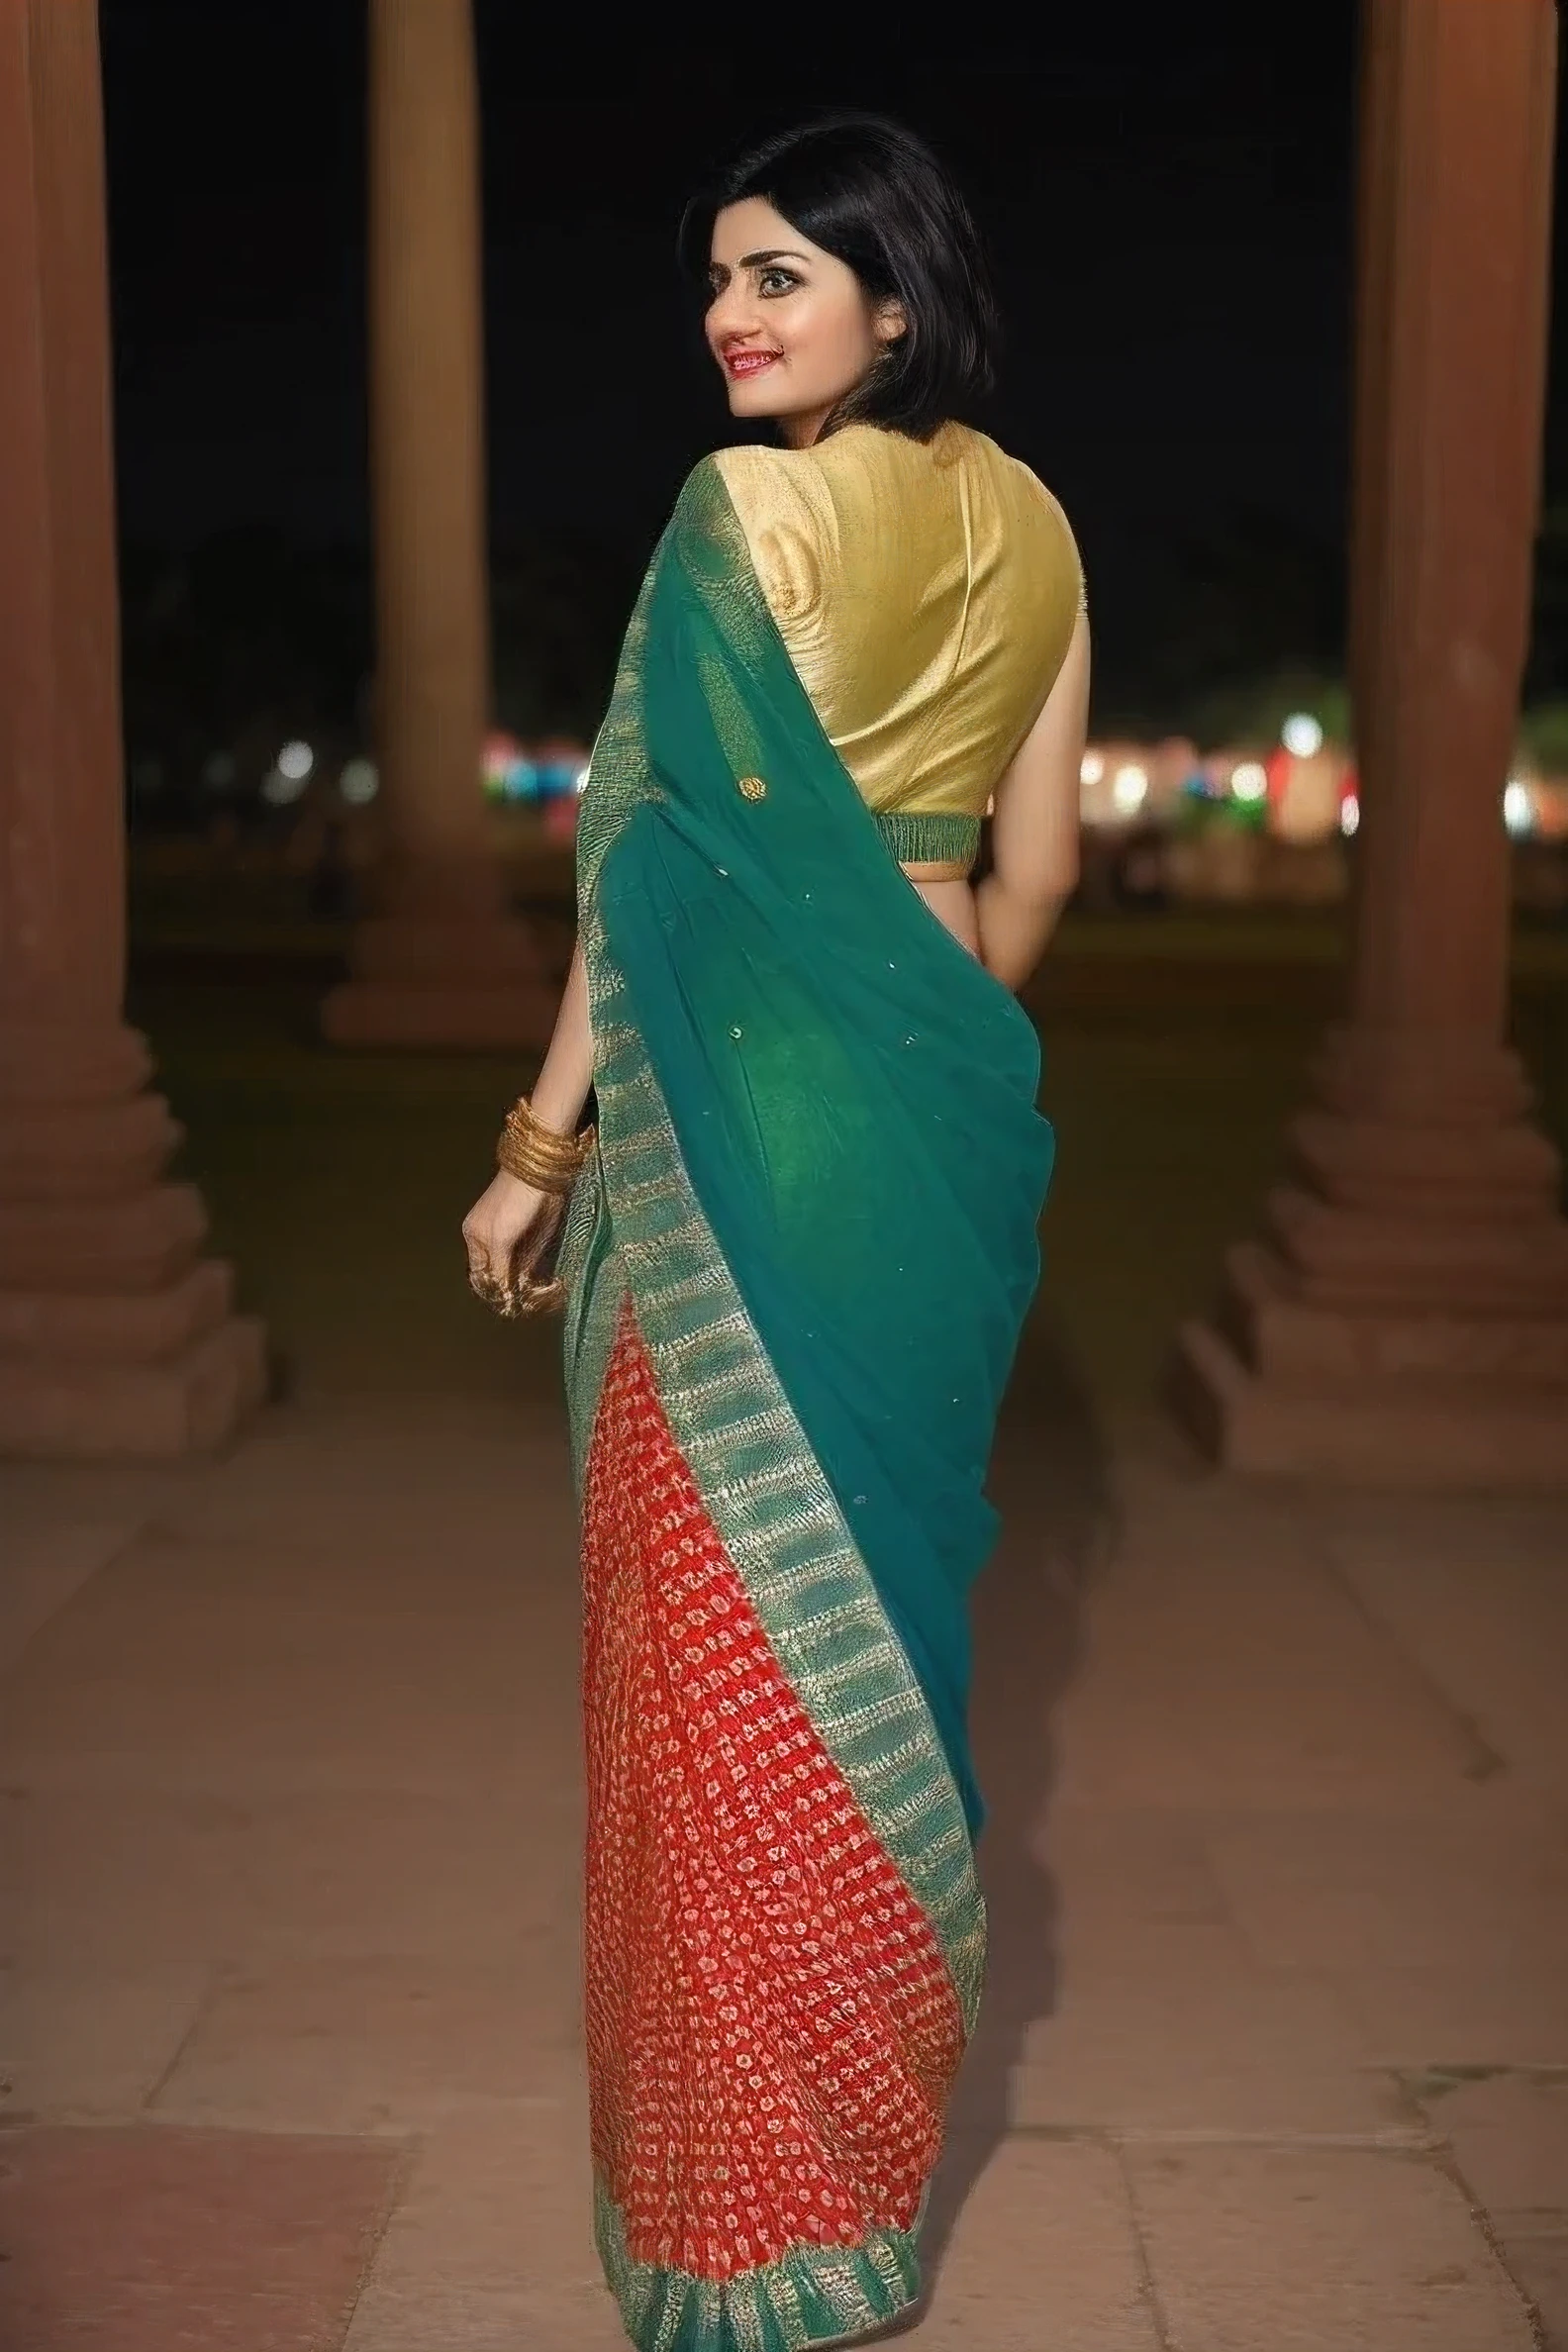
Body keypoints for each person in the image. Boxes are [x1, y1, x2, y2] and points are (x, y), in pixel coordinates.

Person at [462, 111, 1088, 2352]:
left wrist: (539, 1154)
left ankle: (747, 2236)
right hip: (920, 1114)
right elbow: (1036, 884)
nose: (730, 316)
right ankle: (861, 2208)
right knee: (876, 1647)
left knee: (724, 1654)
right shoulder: (1033, 523)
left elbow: (634, 861)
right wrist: (908, 1040)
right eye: (718, 280)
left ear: (890, 301)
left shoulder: (744, 507)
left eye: (779, 278)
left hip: (739, 1128)